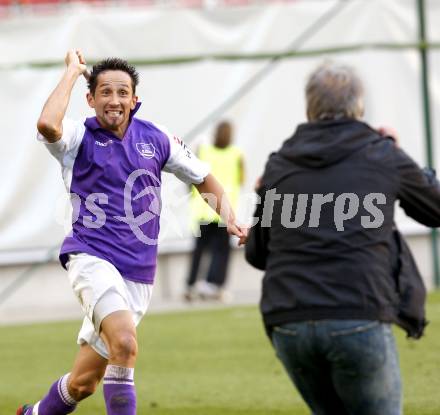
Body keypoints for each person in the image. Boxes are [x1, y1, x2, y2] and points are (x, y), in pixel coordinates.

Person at [17, 50, 246, 415]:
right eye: (105, 92)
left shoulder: (156, 137)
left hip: (139, 273)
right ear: (90, 99)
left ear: (135, 99)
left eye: (123, 92)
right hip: (90, 258)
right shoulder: (78, 137)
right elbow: (47, 124)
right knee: (125, 342)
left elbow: (201, 176)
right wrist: (73, 73)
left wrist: (230, 218)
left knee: (83, 383)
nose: (114, 100)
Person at [246, 62, 440, 415]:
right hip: (357, 311)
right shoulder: (382, 153)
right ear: (359, 105)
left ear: (309, 107)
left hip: (288, 320)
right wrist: (402, 156)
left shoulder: (278, 164)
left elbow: (258, 254)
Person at [184, 121, 244, 301]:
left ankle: (191, 285)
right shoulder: (237, 155)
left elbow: (190, 177)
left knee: (199, 250)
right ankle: (214, 285)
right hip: (224, 212)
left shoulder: (203, 151)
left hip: (203, 209)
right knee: (221, 251)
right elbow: (241, 179)